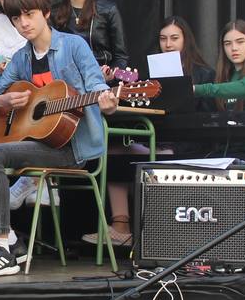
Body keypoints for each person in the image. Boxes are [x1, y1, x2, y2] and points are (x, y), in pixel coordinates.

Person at [0, 0, 117, 276]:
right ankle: (13, 240)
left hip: (70, 148)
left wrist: (107, 102)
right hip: (37, 142)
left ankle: (1, 247)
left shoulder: (73, 46)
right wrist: (2, 101)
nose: (23, 23)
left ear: (46, 12)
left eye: (29, 14)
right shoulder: (20, 59)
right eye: (16, 19)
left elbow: (97, 86)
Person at [84, 15, 219, 247]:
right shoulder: (150, 75)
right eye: (163, 38)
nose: (168, 44)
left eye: (175, 38)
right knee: (114, 153)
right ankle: (121, 227)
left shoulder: (203, 74)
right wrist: (108, 82)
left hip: (188, 146)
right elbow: (135, 103)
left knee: (158, 160)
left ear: (186, 41)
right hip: (156, 140)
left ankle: (160, 231)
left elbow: (207, 121)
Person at [195, 18, 245, 111]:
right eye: (228, 43)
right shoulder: (226, 75)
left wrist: (196, 89)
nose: (234, 48)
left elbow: (243, 88)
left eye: (240, 42)